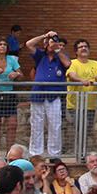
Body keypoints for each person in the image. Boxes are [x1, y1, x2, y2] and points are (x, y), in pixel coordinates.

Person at [23, 31, 67, 160]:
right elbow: (28, 44)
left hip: (54, 96)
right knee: (36, 124)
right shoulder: (40, 55)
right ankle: (35, 153)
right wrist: (45, 36)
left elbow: (68, 64)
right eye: (50, 43)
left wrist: (58, 49)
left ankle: (54, 154)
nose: (51, 44)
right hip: (38, 95)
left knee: (55, 124)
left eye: (54, 42)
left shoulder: (61, 56)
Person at [65, 40, 97, 156]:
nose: (83, 48)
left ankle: (82, 153)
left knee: (86, 130)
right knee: (81, 128)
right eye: (80, 47)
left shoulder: (95, 64)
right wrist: (82, 81)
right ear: (76, 51)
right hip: (75, 104)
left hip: (90, 105)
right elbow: (72, 75)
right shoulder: (72, 63)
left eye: (86, 46)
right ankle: (80, 154)